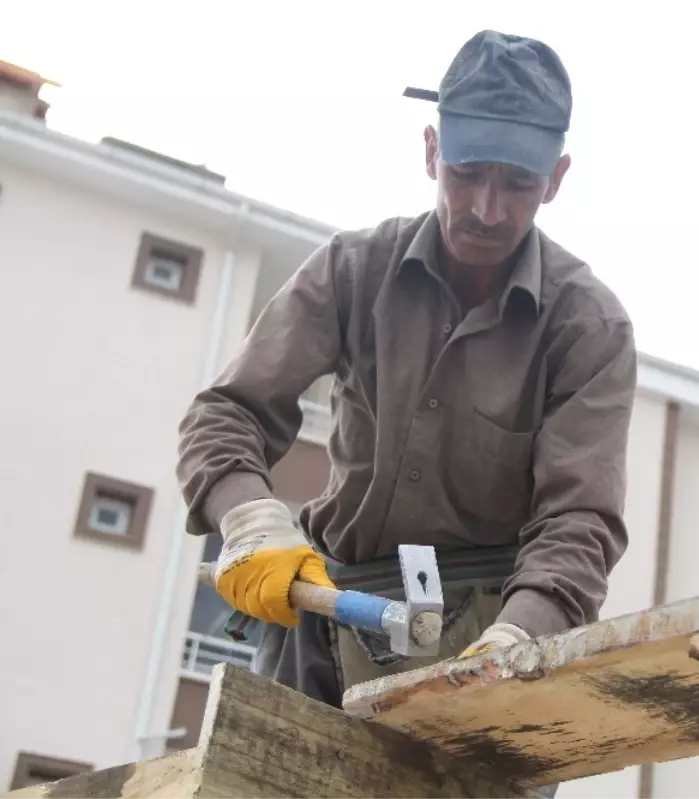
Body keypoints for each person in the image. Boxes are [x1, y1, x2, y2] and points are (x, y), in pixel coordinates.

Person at [175, 29, 636, 788]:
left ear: (555, 179)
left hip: (489, 651)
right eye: (466, 172)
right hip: (325, 631)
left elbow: (579, 522)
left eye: (516, 182)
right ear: (431, 152)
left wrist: (519, 641)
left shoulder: (588, 326)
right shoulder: (353, 271)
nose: (486, 207)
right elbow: (225, 414)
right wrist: (251, 521)